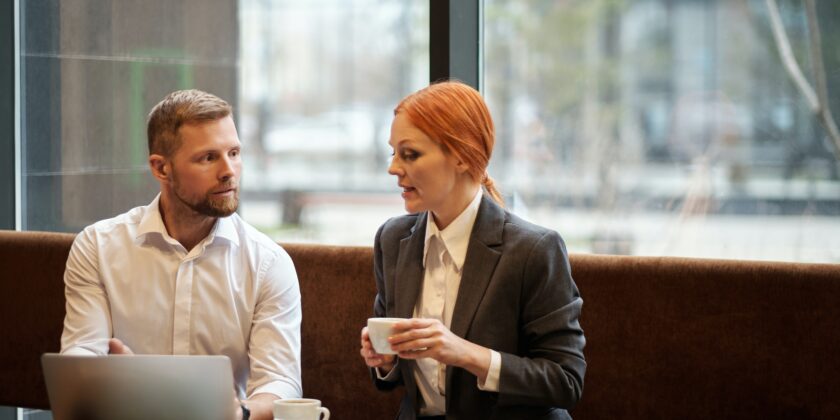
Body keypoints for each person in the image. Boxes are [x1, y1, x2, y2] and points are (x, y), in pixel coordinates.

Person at [61, 89, 302, 420]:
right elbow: (81, 355)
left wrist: (240, 413)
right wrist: (113, 383)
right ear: (161, 169)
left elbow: (281, 381)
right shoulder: (97, 247)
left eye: (234, 153)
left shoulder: (268, 263)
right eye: (208, 158)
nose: (229, 170)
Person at [359, 81, 586, 419]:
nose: (393, 167)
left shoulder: (533, 250)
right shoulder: (393, 240)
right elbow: (394, 381)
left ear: (462, 157)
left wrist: (465, 353)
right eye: (393, 152)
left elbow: (565, 381)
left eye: (410, 154)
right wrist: (386, 360)